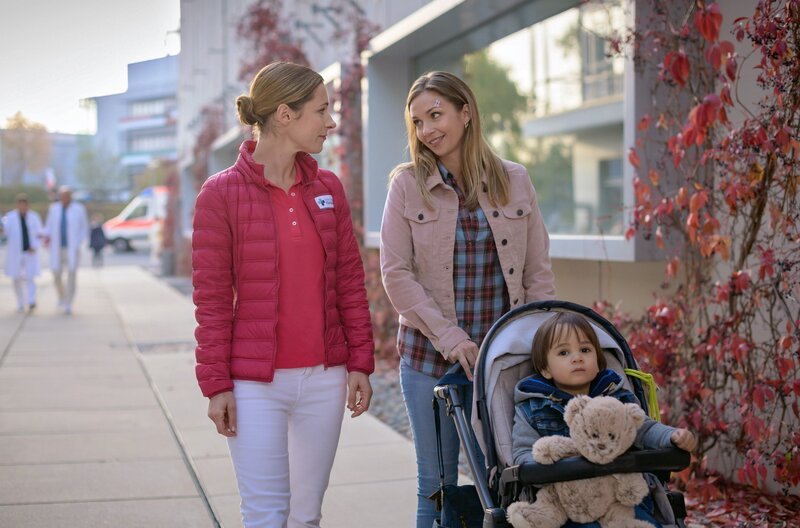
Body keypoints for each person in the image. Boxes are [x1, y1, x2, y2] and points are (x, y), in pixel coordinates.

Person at [191, 61, 375, 528]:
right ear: (285, 115)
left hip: (324, 379)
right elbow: (211, 301)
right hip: (255, 385)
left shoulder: (327, 187)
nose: (330, 122)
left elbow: (350, 284)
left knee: (306, 516)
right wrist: (216, 386)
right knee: (266, 516)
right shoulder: (220, 193)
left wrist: (359, 363)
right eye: (321, 111)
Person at [380, 71, 556, 528]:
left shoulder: (514, 180)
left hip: (501, 363)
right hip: (429, 358)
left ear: (466, 111)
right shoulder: (406, 185)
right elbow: (395, 274)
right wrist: (449, 336)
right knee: (436, 487)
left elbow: (538, 274)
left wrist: (537, 345)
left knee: (501, 483)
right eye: (417, 121)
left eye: (435, 115)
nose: (427, 130)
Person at [511, 311, 697, 527]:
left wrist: (671, 436)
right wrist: (555, 461)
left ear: (598, 362)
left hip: (621, 497)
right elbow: (522, 454)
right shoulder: (532, 408)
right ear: (545, 369)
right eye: (563, 352)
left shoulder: (615, 399)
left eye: (585, 350)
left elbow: (644, 429)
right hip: (568, 503)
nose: (577, 357)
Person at [43, 186, 88, 314]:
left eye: (67, 195)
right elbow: (48, 226)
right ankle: (62, 297)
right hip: (57, 248)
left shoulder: (79, 209)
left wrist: (78, 243)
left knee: (72, 274)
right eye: (62, 195)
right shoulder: (54, 208)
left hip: (72, 248)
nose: (64, 198)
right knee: (56, 273)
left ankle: (69, 302)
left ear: (71, 196)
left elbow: (84, 228)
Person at [1, 194, 43, 312]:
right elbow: (4, 232)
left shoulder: (34, 217)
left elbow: (39, 234)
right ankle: (20, 302)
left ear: (27, 205)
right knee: (16, 278)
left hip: (29, 252)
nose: (22, 207)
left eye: (24, 205)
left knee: (30, 277)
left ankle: (31, 301)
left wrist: (34, 246)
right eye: (20, 205)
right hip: (16, 253)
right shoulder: (10, 217)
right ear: (18, 205)